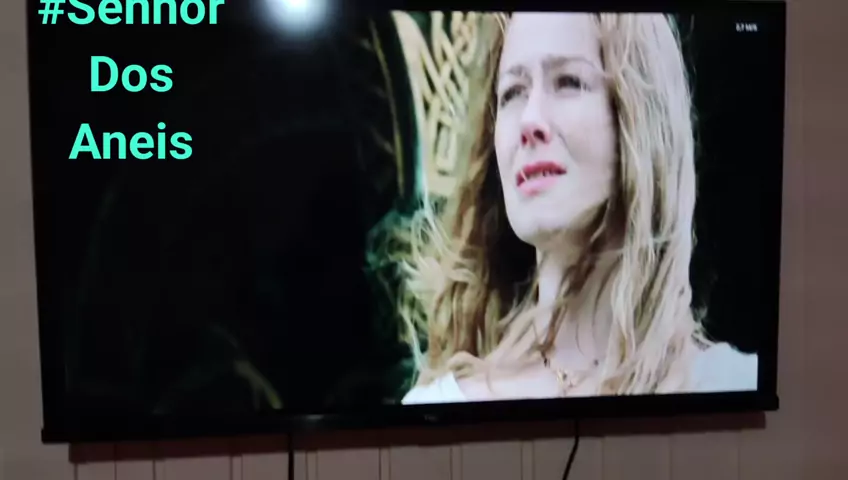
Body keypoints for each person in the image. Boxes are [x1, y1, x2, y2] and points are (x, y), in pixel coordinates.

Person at [391, 12, 757, 404]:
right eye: (512, 92)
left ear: (639, 115)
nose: (530, 120)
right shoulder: (438, 405)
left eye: (568, 81)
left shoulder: (730, 384)